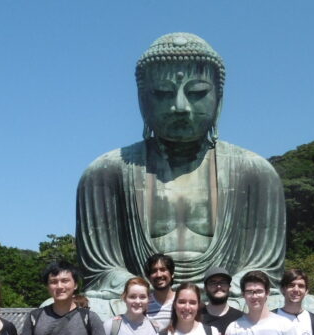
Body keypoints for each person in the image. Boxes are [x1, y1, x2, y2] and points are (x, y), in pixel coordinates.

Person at [75, 32, 285, 317]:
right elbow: (100, 271)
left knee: (304, 305)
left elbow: (263, 269)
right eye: (162, 93)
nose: (180, 106)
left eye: (197, 92)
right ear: (142, 100)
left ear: (219, 98)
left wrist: (224, 288)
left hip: (225, 295)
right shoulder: (107, 171)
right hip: (142, 296)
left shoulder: (255, 172)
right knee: (80, 310)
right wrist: (137, 288)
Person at [145, 253, 176, 329]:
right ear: (149, 277)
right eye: (154, 271)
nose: (158, 275)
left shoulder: (183, 301)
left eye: (163, 270)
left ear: (172, 274)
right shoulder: (144, 304)